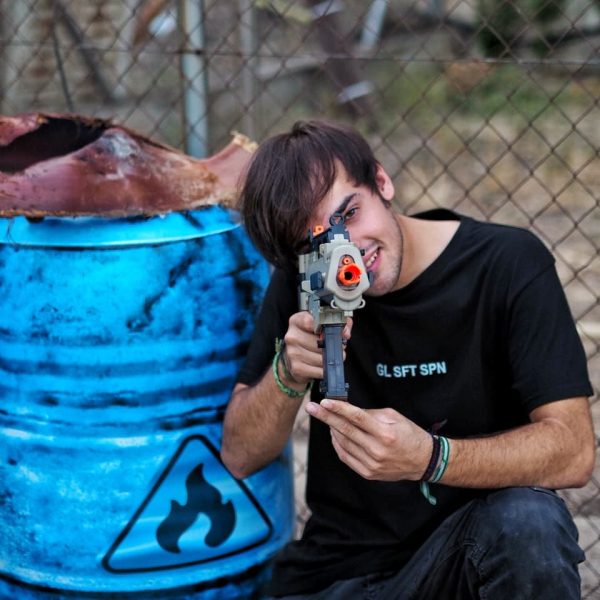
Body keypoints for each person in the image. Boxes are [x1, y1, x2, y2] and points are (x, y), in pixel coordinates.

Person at [220, 119, 595, 599]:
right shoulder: (304, 281)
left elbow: (574, 451)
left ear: (382, 182)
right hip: (337, 577)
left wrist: (431, 458)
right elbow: (239, 454)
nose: (346, 251)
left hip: (463, 564)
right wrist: (287, 373)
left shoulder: (505, 264)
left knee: (529, 523)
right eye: (317, 241)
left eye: (349, 214)